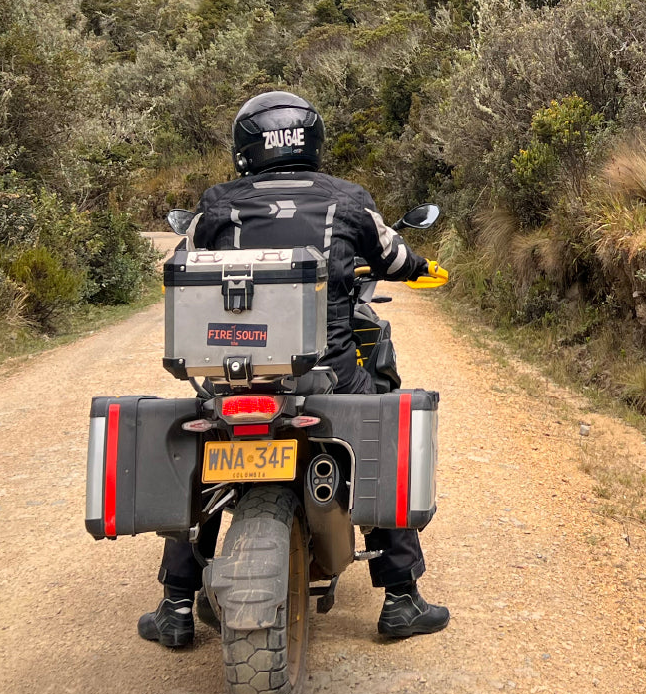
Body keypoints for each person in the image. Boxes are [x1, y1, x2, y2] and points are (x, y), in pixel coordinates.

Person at [138, 91, 450, 647]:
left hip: (238, 374)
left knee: (202, 457)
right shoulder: (348, 200)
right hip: (327, 374)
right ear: (312, 141)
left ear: (246, 148)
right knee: (379, 423)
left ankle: (176, 605)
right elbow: (397, 259)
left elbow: (182, 267)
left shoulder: (216, 205)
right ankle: (401, 596)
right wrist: (423, 267)